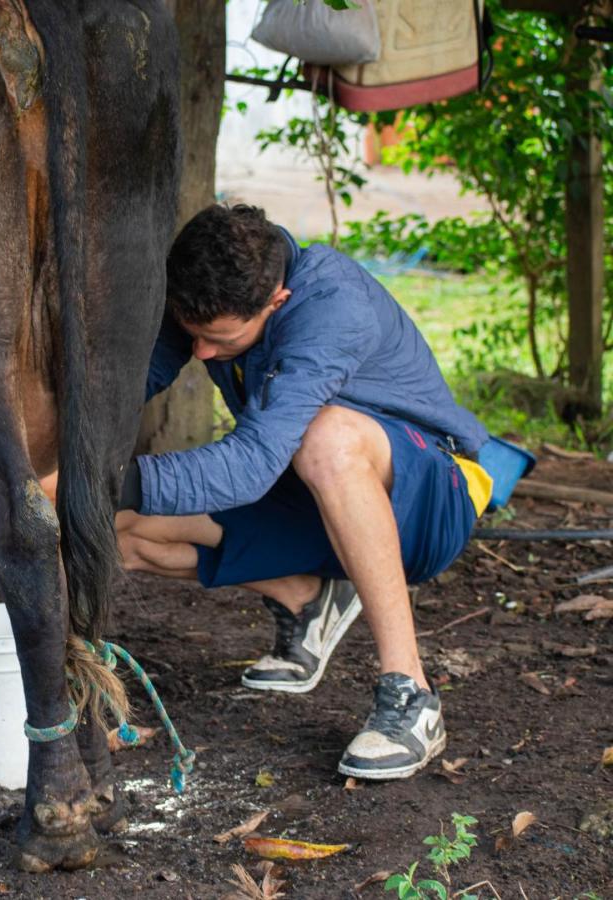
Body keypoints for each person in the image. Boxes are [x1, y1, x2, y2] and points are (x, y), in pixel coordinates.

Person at [116, 204, 492, 781]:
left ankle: (412, 694)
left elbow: (248, 468)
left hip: (429, 500)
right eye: (194, 335)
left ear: (277, 302)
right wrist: (55, 459)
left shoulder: (332, 306)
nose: (202, 354)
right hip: (316, 499)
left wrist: (111, 480)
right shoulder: (207, 296)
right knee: (116, 530)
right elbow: (133, 384)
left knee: (326, 437)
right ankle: (308, 599)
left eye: (219, 340)